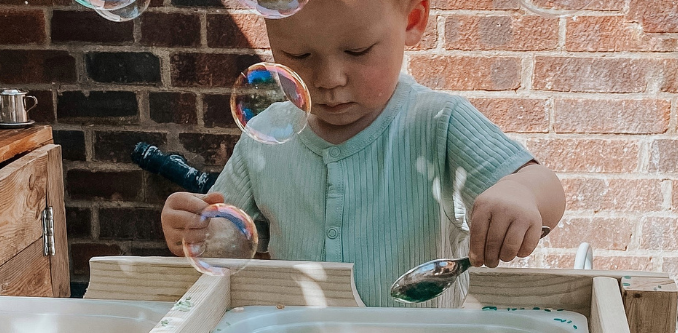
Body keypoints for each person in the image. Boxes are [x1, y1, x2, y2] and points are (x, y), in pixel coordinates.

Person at [160, 0, 566, 307]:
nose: (328, 79)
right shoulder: (264, 136)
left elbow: (545, 187)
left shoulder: (438, 121)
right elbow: (224, 241)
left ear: (412, 19)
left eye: (357, 51)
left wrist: (521, 193)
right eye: (298, 56)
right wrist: (192, 230)